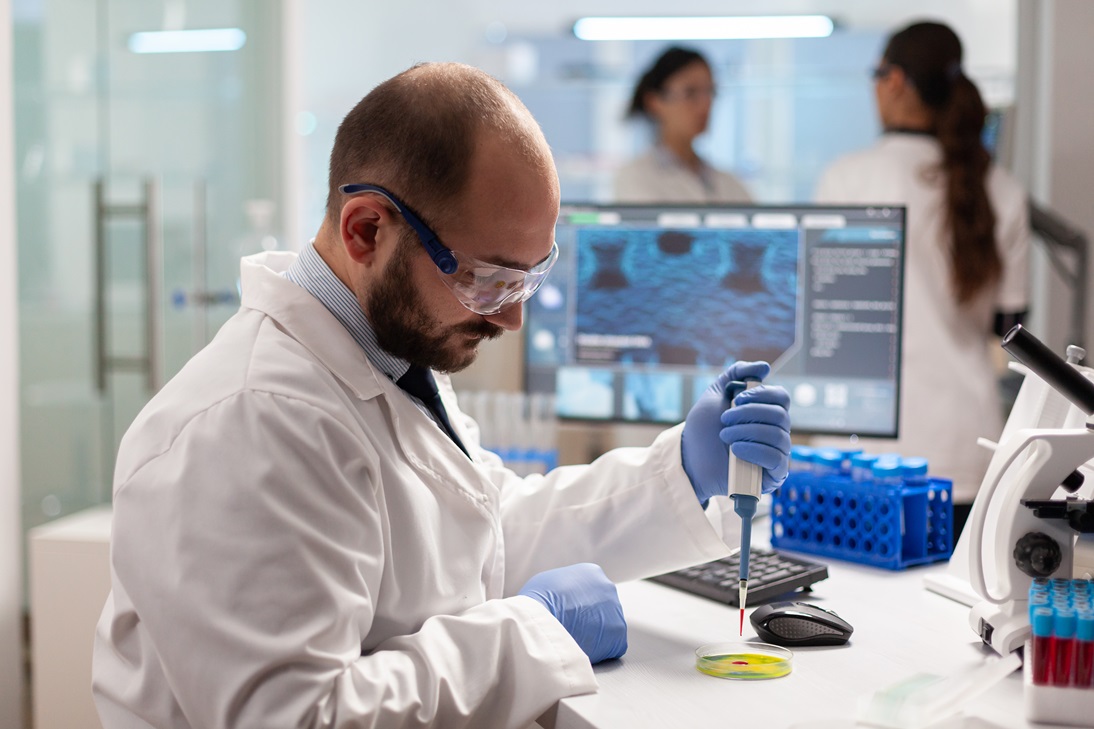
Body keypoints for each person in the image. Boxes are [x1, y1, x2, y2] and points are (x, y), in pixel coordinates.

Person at [91, 62, 791, 728]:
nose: (511, 318)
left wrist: (680, 473)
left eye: (528, 278)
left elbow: (482, 539)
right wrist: (532, 630)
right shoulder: (249, 423)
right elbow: (300, 716)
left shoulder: (385, 355)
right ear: (367, 230)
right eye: (488, 279)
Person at [812, 21, 1030, 536]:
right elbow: (1011, 326)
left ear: (894, 80)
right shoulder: (1000, 187)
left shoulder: (846, 179)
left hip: (865, 454)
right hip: (964, 449)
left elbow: (824, 319)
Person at [614, 46, 752, 204]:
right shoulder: (635, 178)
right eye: (690, 93)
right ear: (654, 102)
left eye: (710, 92)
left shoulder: (730, 184)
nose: (705, 105)